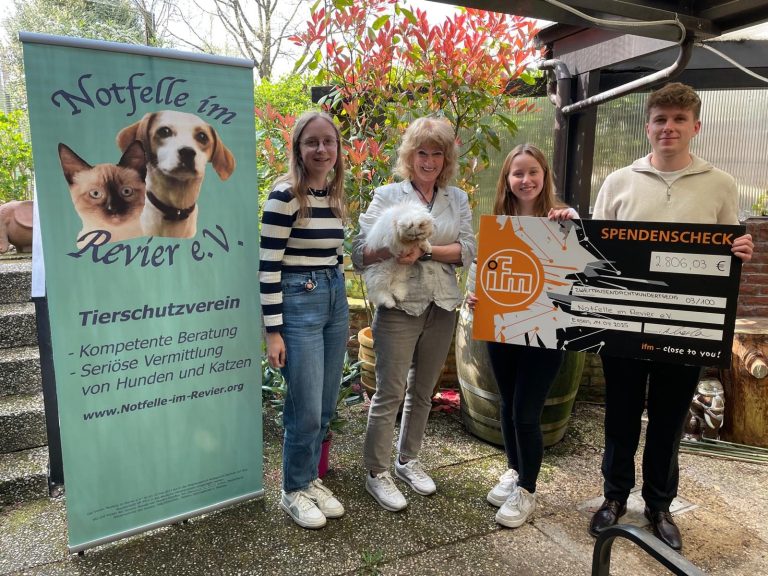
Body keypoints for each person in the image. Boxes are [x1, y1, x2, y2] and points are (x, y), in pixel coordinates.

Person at [589, 82, 754, 550]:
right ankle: (614, 497)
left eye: (679, 120)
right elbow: (598, 252)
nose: (669, 128)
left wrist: (741, 247)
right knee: (619, 415)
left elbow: (730, 249)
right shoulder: (618, 182)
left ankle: (659, 505)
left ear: (695, 126)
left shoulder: (721, 184)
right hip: (624, 324)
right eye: (660, 119)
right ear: (648, 127)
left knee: (668, 418)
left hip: (686, 327)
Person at [352, 116, 476, 511]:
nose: (429, 160)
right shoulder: (388, 195)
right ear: (410, 156)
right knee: (390, 392)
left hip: (443, 303)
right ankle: (377, 471)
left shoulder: (456, 199)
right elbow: (358, 254)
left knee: (423, 391)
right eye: (422, 152)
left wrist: (425, 251)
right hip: (399, 305)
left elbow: (468, 250)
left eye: (437, 153)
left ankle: (407, 460)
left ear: (446, 158)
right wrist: (392, 247)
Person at [466, 144, 577, 528]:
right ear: (507, 180)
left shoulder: (563, 218)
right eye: (518, 173)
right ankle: (515, 471)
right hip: (503, 329)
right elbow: (483, 269)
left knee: (526, 414)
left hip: (546, 332)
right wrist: (473, 291)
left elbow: (582, 267)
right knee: (507, 405)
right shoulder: (499, 223)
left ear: (544, 175)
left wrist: (573, 222)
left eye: (532, 172)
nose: (525, 180)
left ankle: (527, 490)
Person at [259, 111, 349, 529]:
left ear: (337, 148)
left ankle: (311, 478)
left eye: (328, 141)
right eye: (311, 142)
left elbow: (335, 253)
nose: (321, 149)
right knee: (306, 408)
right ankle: (293, 488)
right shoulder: (285, 195)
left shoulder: (333, 192)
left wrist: (339, 292)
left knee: (326, 403)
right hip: (298, 303)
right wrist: (273, 331)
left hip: (333, 299)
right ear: (298, 147)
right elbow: (268, 266)